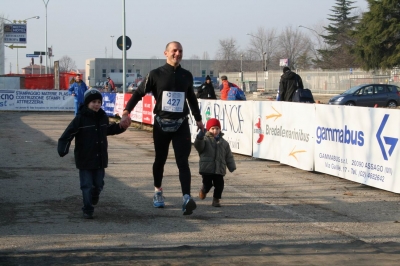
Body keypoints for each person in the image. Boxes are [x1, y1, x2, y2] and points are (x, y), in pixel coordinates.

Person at [120, 41, 204, 215]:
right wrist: (127, 110)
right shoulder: (155, 74)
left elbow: (192, 99)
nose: (177, 54)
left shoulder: (186, 75)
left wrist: (198, 119)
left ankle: (186, 198)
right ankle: (158, 191)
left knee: (183, 161)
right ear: (166, 53)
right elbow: (138, 93)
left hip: (181, 123)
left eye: (180, 51)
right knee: (160, 159)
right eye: (174, 51)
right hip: (161, 124)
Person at [57, 89, 126, 219]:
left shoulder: (103, 117)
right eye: (93, 102)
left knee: (98, 184)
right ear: (88, 103)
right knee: (86, 185)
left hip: (100, 159)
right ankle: (87, 209)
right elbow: (68, 134)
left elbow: (109, 130)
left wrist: (121, 126)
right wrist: (63, 148)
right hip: (84, 159)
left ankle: (95, 195)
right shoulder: (80, 119)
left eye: (99, 102)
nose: (96, 104)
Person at [194, 118, 236, 207]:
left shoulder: (224, 143)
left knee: (220, 185)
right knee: (207, 184)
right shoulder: (205, 140)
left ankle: (216, 199)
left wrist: (231, 166)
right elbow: (198, 146)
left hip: (219, 169)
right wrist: (199, 137)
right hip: (207, 168)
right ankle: (204, 190)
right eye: (213, 128)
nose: (215, 131)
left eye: (217, 128)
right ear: (208, 129)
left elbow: (228, 156)